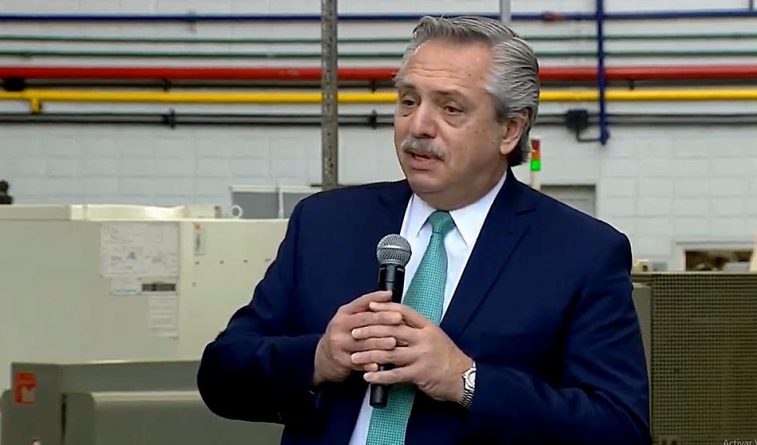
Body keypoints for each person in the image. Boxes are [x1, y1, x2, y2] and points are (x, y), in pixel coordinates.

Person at [197, 15, 649, 445]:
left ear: (510, 130)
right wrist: (317, 358)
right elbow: (221, 374)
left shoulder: (581, 253)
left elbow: (618, 429)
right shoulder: (325, 224)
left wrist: (466, 381)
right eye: (408, 101)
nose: (418, 126)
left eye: (450, 108)